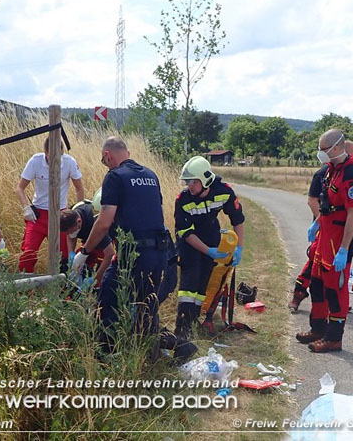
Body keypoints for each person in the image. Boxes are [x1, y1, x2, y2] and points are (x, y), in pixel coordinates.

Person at [73, 137, 170, 355]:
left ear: (108, 155)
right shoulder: (151, 175)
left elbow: (104, 221)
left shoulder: (114, 177)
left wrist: (85, 251)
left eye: (104, 160)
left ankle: (106, 354)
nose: (105, 164)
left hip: (135, 253)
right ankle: (149, 355)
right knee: (147, 306)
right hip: (160, 252)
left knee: (108, 297)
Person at [296, 129, 353, 353]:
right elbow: (325, 201)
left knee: (336, 289)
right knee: (317, 283)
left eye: (323, 149)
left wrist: (343, 249)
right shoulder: (331, 170)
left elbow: (352, 215)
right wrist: (317, 222)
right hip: (324, 234)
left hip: (339, 239)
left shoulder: (351, 174)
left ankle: (334, 338)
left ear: (336, 148)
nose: (320, 153)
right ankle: (318, 328)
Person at [174, 156, 245, 338]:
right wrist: (207, 251)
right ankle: (183, 326)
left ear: (206, 179)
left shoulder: (224, 192)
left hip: (211, 235)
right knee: (190, 282)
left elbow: (238, 219)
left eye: (193, 182)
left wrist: (239, 247)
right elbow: (185, 232)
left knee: (204, 281)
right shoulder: (183, 199)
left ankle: (194, 319)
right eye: (187, 182)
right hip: (190, 241)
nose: (189, 185)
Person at [288, 140, 353, 311]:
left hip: (341, 229)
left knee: (334, 266)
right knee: (315, 260)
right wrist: (320, 222)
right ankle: (299, 293)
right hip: (325, 227)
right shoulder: (324, 172)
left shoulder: (349, 173)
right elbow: (312, 200)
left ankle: (336, 300)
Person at [16, 136, 84, 273]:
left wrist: (78, 211)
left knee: (65, 257)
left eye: (58, 157)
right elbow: (19, 188)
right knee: (27, 256)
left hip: (60, 215)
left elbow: (79, 188)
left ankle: (65, 291)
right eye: (51, 157)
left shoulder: (69, 162)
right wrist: (26, 207)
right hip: (38, 216)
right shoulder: (36, 161)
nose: (55, 161)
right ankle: (26, 291)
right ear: (45, 152)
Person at [60, 202, 115, 288]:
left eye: (71, 231)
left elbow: (110, 253)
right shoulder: (72, 213)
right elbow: (71, 235)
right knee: (78, 263)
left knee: (104, 278)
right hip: (88, 244)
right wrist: (71, 253)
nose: (69, 234)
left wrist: (95, 279)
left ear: (79, 221)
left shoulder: (96, 225)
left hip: (108, 243)